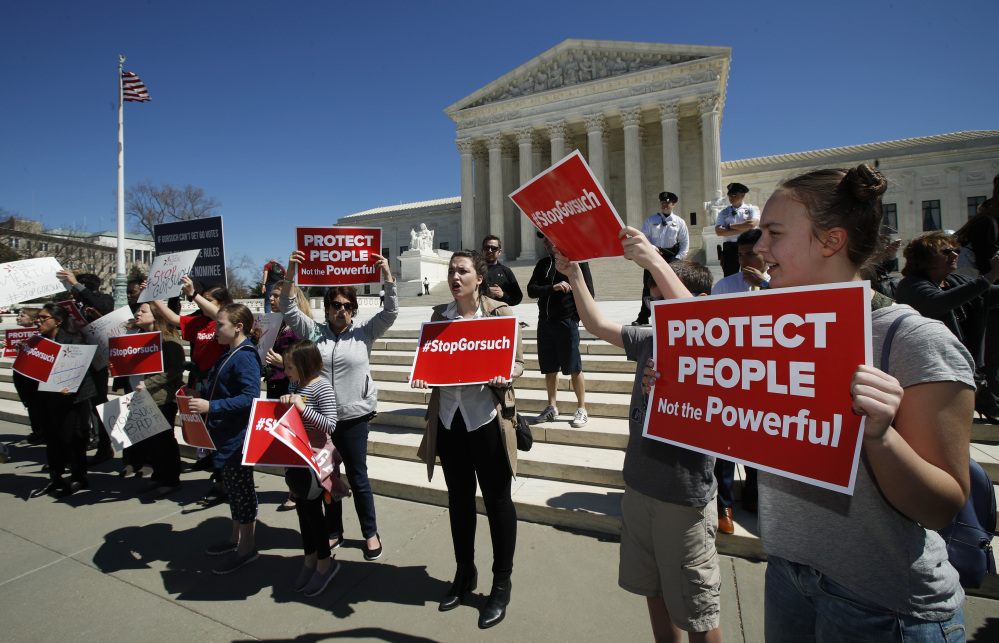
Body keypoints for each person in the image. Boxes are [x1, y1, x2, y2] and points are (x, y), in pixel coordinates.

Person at [646, 165, 974, 640]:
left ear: (831, 241)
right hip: (787, 575)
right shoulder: (761, 329)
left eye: (775, 234)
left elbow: (941, 508)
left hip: (886, 605)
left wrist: (880, 436)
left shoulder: (914, 339)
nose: (758, 247)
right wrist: (680, 387)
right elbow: (745, 425)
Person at [553, 236, 722, 642]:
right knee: (654, 590)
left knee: (697, 610)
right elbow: (595, 324)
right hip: (639, 486)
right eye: (651, 301)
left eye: (662, 300)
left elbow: (699, 323)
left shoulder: (719, 354)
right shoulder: (648, 340)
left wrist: (654, 260)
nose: (654, 309)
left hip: (683, 499)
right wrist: (575, 275)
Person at [412, 249, 524, 630]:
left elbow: (520, 361)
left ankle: (501, 582)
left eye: (462, 271)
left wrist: (506, 373)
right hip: (448, 419)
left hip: (486, 419)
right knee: (459, 499)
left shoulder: (500, 313)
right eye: (451, 271)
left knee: (496, 501)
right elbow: (429, 358)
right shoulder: (437, 316)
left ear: (479, 277)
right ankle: (464, 573)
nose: (454, 276)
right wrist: (423, 373)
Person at [280, 249, 397, 561]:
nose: (341, 310)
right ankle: (334, 531)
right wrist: (292, 271)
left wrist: (387, 277)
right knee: (328, 479)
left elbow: (391, 314)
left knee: (358, 478)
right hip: (318, 421)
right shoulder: (315, 333)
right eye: (335, 305)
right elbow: (287, 308)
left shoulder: (364, 333)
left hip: (354, 418)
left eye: (347, 305)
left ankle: (370, 532)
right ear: (327, 308)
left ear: (354, 309)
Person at [187, 304, 263, 575]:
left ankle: (247, 547)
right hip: (225, 435)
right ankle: (235, 539)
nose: (215, 330)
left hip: (238, 438)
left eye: (220, 325)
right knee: (233, 489)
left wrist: (211, 407)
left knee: (242, 491)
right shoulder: (230, 353)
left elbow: (249, 397)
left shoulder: (245, 356)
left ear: (238, 326)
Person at [895, 231, 999, 420]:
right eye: (946, 251)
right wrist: (990, 276)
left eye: (956, 250)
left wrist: (988, 281)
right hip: (932, 376)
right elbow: (939, 302)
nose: (954, 254)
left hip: (964, 372)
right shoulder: (911, 286)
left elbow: (988, 293)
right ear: (925, 257)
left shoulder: (957, 282)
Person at [709, 228, 766, 530]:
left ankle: (755, 495)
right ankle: (724, 506)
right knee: (727, 445)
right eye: (741, 255)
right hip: (730, 374)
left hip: (764, 377)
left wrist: (766, 286)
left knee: (758, 440)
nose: (745, 260)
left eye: (751, 254)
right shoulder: (725, 286)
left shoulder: (782, 284)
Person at [280, 340, 342, 596]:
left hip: (316, 459)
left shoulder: (321, 388)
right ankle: (309, 559)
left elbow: (330, 425)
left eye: (290, 367)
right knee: (303, 513)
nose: (286, 371)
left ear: (305, 365)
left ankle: (325, 564)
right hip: (296, 457)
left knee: (314, 514)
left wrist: (303, 408)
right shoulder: (295, 385)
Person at [28, 304, 98, 499]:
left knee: (73, 439)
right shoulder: (37, 343)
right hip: (46, 399)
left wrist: (70, 384)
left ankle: (78, 476)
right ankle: (55, 477)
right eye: (38, 318)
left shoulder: (73, 342)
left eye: (44, 318)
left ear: (58, 321)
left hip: (71, 400)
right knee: (52, 439)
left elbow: (82, 370)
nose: (38, 321)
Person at [528, 231, 593, 428]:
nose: (546, 243)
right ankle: (551, 406)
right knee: (549, 369)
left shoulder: (577, 263)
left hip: (566, 321)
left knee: (574, 367)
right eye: (545, 239)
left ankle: (581, 408)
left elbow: (589, 292)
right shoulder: (543, 264)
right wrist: (552, 287)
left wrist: (575, 319)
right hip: (545, 323)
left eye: (550, 238)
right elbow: (531, 290)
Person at [56, 270, 116, 466]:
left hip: (97, 359)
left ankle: (104, 445)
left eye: (73, 287)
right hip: (76, 358)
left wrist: (78, 286)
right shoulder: (71, 306)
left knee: (99, 400)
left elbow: (104, 310)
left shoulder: (102, 298)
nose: (71, 292)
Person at [264, 280, 312, 512]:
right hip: (274, 387)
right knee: (282, 441)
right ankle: (292, 485)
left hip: (292, 388)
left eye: (276, 295)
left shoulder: (298, 328)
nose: (271, 299)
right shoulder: (271, 325)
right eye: (270, 296)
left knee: (294, 439)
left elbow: (307, 362)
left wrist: (282, 362)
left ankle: (298, 489)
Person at [128, 302, 185, 497]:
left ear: (156, 315)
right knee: (151, 442)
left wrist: (149, 383)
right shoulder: (136, 339)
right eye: (138, 310)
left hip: (162, 398)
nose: (137, 313)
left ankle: (171, 479)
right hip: (140, 397)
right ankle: (159, 476)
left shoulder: (169, 339)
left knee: (164, 442)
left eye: (143, 311)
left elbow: (177, 369)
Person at [633, 191, 689, 325]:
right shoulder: (651, 220)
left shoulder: (679, 222)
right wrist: (652, 248)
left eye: (668, 203)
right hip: (654, 256)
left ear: (673, 204)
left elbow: (684, 242)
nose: (665, 205)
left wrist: (678, 259)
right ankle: (643, 316)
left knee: (669, 287)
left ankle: (671, 316)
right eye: (663, 202)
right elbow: (643, 238)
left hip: (672, 258)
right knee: (648, 287)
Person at [9, 308, 43, 446]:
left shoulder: (40, 334)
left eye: (22, 315)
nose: (18, 318)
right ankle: (37, 431)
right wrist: (11, 346)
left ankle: (42, 431)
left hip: (34, 373)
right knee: (28, 402)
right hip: (21, 371)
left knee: (37, 403)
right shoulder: (16, 334)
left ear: (32, 319)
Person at [714, 182, 760, 276]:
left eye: (734, 195)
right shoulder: (724, 212)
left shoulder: (751, 209)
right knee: (730, 277)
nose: (731, 197)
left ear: (742, 195)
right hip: (730, 248)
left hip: (748, 246)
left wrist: (730, 226)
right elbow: (719, 231)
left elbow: (752, 224)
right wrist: (744, 228)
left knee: (750, 275)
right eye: (729, 195)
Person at [481, 235, 523, 307]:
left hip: (500, 314)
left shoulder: (506, 271)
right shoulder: (475, 271)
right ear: (482, 250)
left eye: (494, 248)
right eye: (486, 248)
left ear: (499, 251)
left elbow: (517, 298)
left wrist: (502, 295)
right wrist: (485, 292)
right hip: (479, 314)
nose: (490, 251)